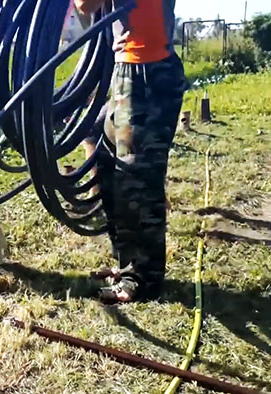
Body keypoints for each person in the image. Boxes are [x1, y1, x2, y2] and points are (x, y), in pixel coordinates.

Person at [74, 0, 188, 302]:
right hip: (132, 66)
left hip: (146, 70)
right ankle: (128, 265)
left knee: (137, 180)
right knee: (109, 167)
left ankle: (144, 280)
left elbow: (85, 5)